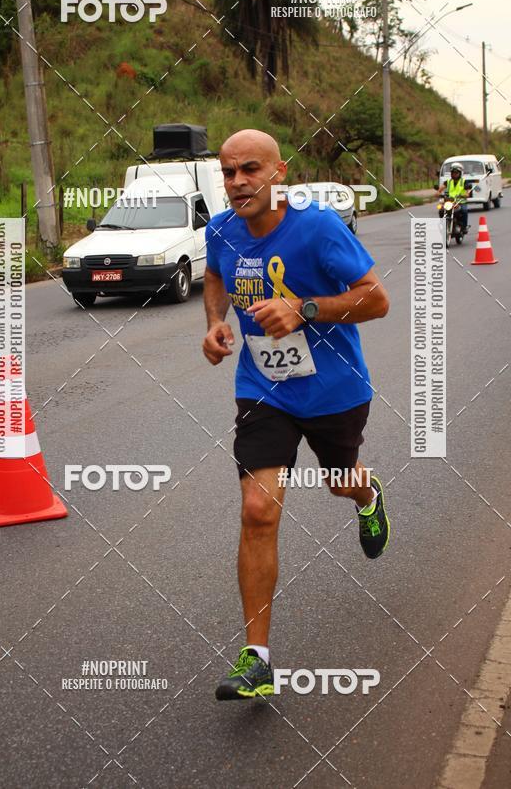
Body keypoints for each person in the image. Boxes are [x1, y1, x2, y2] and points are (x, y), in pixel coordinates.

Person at [202, 129, 391, 701]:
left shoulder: (317, 226)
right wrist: (215, 322)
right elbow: (214, 274)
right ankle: (256, 659)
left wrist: (303, 308)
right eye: (229, 172)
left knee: (340, 482)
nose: (238, 183)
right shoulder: (221, 230)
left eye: (250, 170)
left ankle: (368, 496)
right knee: (258, 508)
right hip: (264, 390)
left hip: (334, 390)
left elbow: (376, 298)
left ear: (278, 172)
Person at [439, 162, 469, 232]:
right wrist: (438, 193)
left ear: (460, 173)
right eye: (453, 173)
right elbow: (440, 189)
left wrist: (465, 195)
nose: (454, 174)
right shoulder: (448, 182)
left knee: (464, 211)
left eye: (456, 173)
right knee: (441, 210)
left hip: (460, 202)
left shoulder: (464, 182)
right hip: (450, 201)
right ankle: (442, 224)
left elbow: (468, 192)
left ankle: (464, 227)